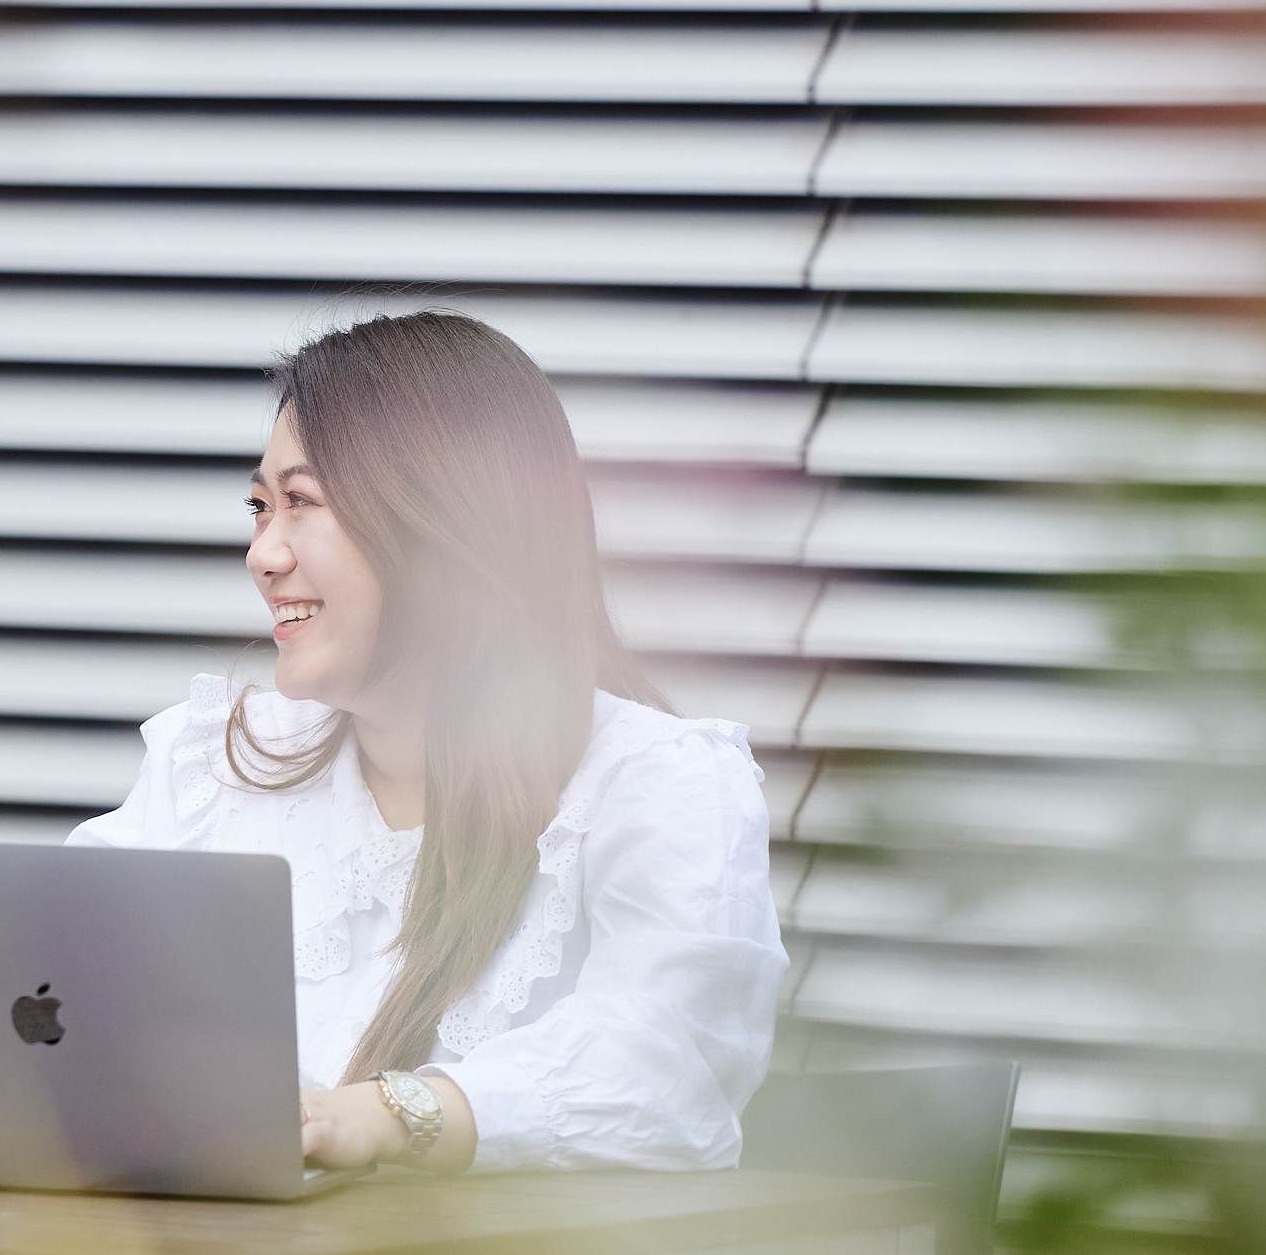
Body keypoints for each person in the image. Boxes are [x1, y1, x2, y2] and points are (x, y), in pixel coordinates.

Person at [74, 311, 786, 1174]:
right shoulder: (215, 759)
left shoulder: (654, 784)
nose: (263, 554)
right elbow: (53, 981)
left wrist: (385, 1115)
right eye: (260, 506)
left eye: (302, 504)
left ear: (443, 524)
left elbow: (668, 1072)